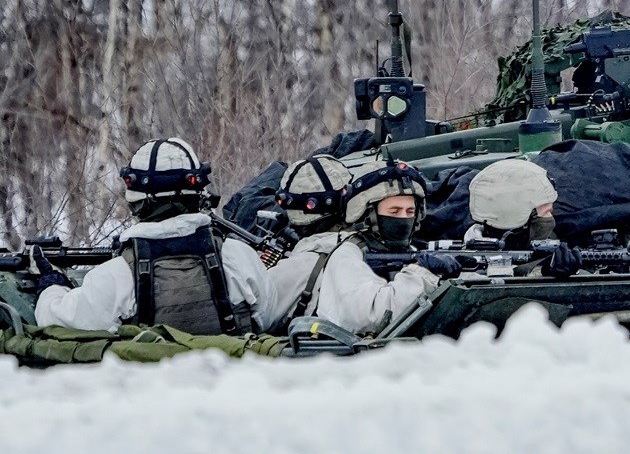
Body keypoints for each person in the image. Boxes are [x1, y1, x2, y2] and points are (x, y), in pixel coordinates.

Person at [34, 138, 278, 335]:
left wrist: (52, 284)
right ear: (197, 193)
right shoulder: (240, 257)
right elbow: (268, 318)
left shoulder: (116, 275)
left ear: (137, 201)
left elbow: (54, 320)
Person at [266, 155, 460, 335]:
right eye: (394, 211)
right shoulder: (346, 253)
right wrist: (423, 273)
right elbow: (373, 315)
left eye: (410, 212)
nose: (403, 219)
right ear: (370, 214)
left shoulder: (410, 251)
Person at [465, 158, 582, 278]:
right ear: (518, 223)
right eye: (546, 212)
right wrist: (544, 273)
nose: (550, 220)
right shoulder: (468, 267)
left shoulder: (540, 239)